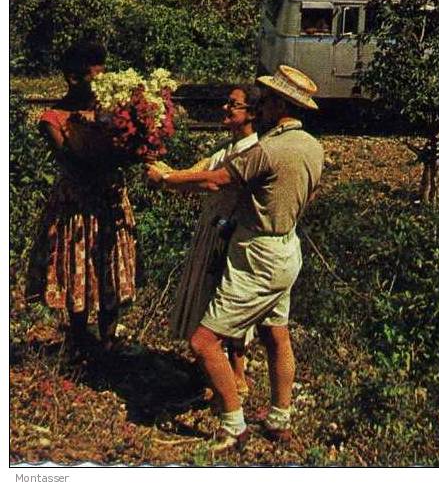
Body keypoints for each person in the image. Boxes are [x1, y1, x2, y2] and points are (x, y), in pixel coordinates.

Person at [148, 65, 324, 451]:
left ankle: (233, 424)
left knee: (204, 341)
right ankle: (279, 418)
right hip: (288, 247)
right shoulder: (313, 146)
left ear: (280, 104)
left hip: (257, 253)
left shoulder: (269, 149)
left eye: (267, 101)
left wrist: (167, 178)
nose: (261, 107)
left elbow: (214, 179)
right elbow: (310, 195)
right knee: (276, 335)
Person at [26, 42, 139, 354]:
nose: (99, 85)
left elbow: (130, 146)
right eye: (93, 77)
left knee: (111, 268)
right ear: (73, 78)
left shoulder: (114, 112)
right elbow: (71, 160)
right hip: (78, 207)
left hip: (110, 201)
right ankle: (79, 340)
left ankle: (108, 340)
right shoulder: (53, 118)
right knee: (78, 268)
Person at [157, 86, 262, 402]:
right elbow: (199, 170)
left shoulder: (251, 151)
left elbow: (207, 180)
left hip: (229, 235)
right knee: (214, 300)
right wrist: (163, 168)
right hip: (214, 231)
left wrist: (167, 179)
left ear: (252, 113)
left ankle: (236, 379)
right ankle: (221, 374)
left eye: (233, 104)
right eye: (227, 102)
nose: (225, 108)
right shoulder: (229, 147)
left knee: (226, 305)